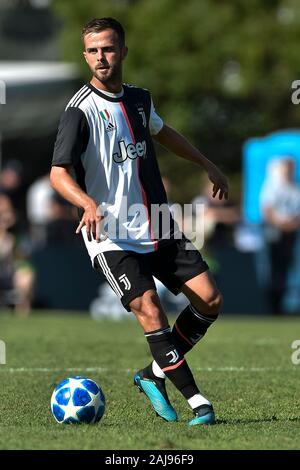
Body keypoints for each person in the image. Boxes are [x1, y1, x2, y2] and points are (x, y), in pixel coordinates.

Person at [50, 17, 228, 426]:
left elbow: (163, 132)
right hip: (109, 231)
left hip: (156, 223)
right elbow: (58, 173)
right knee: (148, 307)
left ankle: (153, 373)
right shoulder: (79, 111)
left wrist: (205, 162)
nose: (101, 58)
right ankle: (197, 402)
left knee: (210, 300)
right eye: (93, 51)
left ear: (123, 51)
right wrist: (87, 203)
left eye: (108, 49)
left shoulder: (140, 100)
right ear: (85, 55)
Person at [260, 157, 300, 314]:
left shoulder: (295, 188)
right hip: (275, 233)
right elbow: (267, 209)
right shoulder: (273, 186)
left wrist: (292, 224)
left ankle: (285, 304)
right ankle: (273, 305)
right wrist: (282, 224)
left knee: (287, 269)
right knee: (273, 269)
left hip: (291, 235)